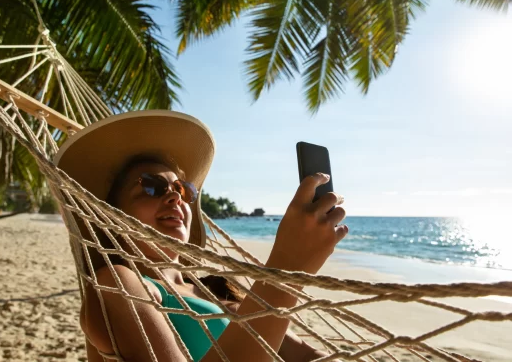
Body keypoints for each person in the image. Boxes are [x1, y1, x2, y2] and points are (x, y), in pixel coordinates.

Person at [54, 110, 348, 362]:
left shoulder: (219, 293)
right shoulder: (117, 283)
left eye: (183, 190)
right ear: (112, 216)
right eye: (152, 187)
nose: (175, 198)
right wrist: (286, 267)